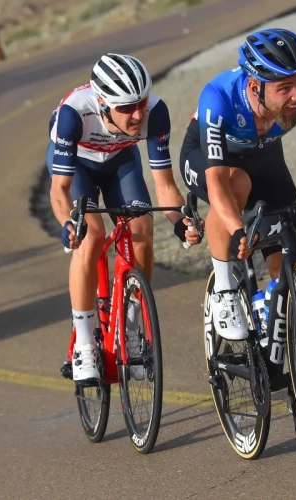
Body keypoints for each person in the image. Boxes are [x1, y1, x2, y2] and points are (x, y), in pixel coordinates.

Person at [178, 29, 296, 425]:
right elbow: (215, 184)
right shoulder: (218, 97)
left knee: (289, 265)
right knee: (236, 187)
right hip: (208, 159)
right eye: (285, 88)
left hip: (265, 157)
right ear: (255, 86)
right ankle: (226, 292)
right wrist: (235, 232)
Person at [47, 53, 201, 383]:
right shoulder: (74, 113)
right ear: (103, 104)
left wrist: (179, 221)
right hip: (79, 168)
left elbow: (165, 184)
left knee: (142, 228)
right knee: (91, 235)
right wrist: (67, 224)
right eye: (126, 107)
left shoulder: (156, 112)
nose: (137, 114)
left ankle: (131, 325)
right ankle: (84, 343)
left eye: (141, 103)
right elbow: (59, 190)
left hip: (120, 160)